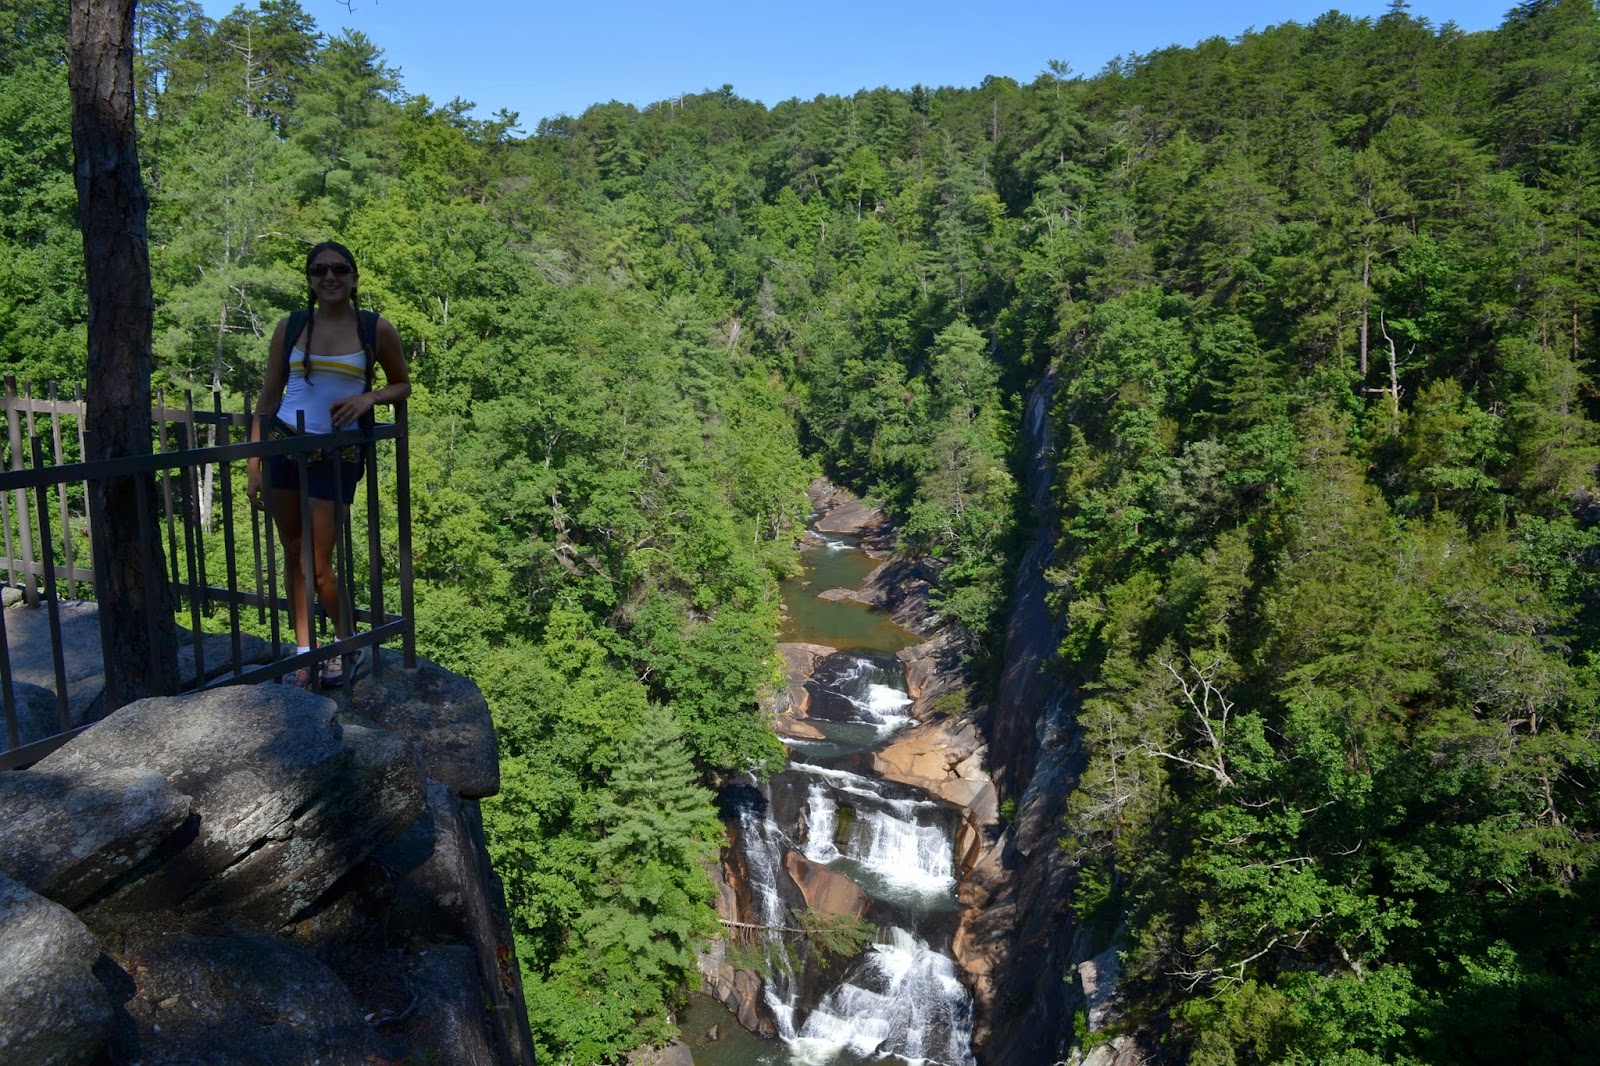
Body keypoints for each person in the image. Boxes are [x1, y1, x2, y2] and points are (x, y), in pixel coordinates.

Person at [246, 241, 410, 688]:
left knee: (317, 563)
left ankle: (345, 644)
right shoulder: (291, 326)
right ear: (310, 279)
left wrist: (369, 397)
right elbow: (269, 396)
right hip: (284, 446)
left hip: (337, 455)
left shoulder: (375, 329)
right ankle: (305, 654)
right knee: (293, 554)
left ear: (354, 278)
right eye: (319, 270)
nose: (329, 277)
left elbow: (402, 384)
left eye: (339, 269)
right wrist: (254, 463)